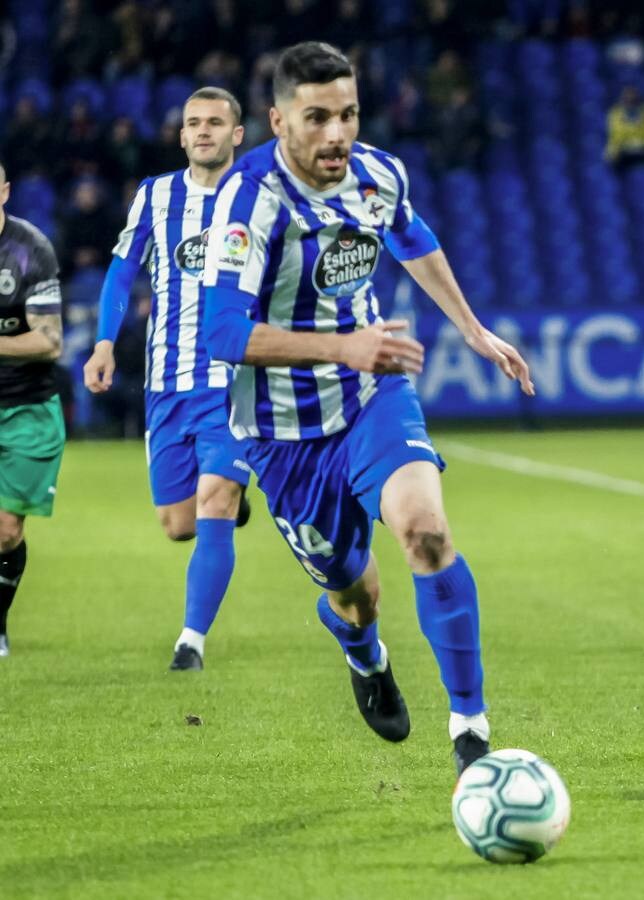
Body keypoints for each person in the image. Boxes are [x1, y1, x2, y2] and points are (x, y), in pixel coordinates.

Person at [201, 43, 533, 773]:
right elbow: (220, 333)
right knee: (356, 594)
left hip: (370, 397)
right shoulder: (247, 201)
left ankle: (471, 732)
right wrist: (339, 345)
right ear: (278, 120)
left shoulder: (379, 174)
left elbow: (412, 237)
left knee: (426, 532)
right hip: (283, 436)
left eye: (347, 114)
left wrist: (473, 330)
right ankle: (364, 651)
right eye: (316, 118)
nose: (336, 135)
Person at [83, 87, 253, 672]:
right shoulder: (155, 197)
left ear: (237, 134)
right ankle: (228, 500)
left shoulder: (259, 200)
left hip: (234, 385)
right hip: (166, 383)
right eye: (193, 123)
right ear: (181, 136)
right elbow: (121, 272)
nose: (203, 131)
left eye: (215, 122)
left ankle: (191, 642)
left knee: (216, 499)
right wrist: (104, 342)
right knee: (179, 525)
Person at [0, 161, 65, 659]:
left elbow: (50, 341)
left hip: (26, 407)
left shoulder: (30, 250)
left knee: (4, 531)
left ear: (4, 192)